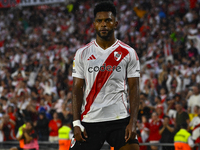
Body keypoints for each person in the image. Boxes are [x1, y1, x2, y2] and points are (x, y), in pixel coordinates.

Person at [71, 1, 140, 150]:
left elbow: (134, 88)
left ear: (115, 23)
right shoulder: (82, 53)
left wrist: (133, 122)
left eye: (108, 20)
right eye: (99, 21)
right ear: (94, 24)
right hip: (90, 119)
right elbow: (77, 88)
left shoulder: (128, 52)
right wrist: (76, 123)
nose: (103, 24)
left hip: (120, 119)